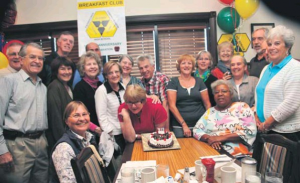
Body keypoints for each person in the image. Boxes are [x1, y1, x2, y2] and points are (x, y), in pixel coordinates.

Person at [0, 42, 48, 182]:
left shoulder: (43, 87)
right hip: (17, 146)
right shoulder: (8, 82)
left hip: (41, 145)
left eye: (40, 58)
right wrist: (2, 151)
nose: (37, 61)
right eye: (32, 57)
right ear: (21, 59)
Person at [255, 25, 300, 141]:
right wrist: (256, 115)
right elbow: (261, 95)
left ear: (288, 46)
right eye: (269, 44)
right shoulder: (266, 69)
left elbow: (291, 103)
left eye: (277, 43)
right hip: (264, 130)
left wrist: (267, 124)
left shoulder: (295, 68)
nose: (272, 47)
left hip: (285, 133)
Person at [193, 80, 257, 155]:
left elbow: (250, 131)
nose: (220, 94)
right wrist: (209, 139)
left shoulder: (242, 107)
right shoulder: (210, 111)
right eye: (216, 92)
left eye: (224, 91)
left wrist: (220, 138)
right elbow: (196, 130)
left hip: (235, 153)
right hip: (209, 149)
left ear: (231, 94)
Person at [50, 101, 97, 183]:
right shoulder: (63, 148)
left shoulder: (90, 138)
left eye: (84, 114)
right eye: (76, 115)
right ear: (66, 121)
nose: (82, 119)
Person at [167, 54, 211, 138]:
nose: (186, 65)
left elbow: (207, 104)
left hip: (200, 124)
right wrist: (184, 125)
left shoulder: (199, 81)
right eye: (183, 63)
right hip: (179, 126)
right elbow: (171, 106)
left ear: (193, 66)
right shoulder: (173, 82)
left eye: (189, 63)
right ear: (179, 66)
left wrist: (207, 122)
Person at [95, 61, 126, 152]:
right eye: (110, 73)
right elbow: (102, 117)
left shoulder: (123, 87)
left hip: (125, 131)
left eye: (116, 72)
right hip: (113, 135)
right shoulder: (101, 91)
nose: (114, 75)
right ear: (106, 76)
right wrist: (110, 133)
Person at [46, 57, 75, 151]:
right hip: (61, 140)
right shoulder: (54, 87)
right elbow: (55, 118)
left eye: (69, 68)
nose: (66, 72)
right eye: (62, 69)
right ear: (56, 71)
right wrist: (63, 142)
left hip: (69, 137)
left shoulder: (68, 86)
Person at [73, 51, 103, 135]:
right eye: (89, 64)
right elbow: (78, 114)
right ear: (83, 68)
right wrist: (95, 128)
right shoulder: (79, 87)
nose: (92, 66)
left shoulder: (101, 85)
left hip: (104, 129)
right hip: (88, 131)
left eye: (94, 64)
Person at [137, 55, 170, 129]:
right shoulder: (140, 81)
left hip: (161, 120)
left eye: (146, 67)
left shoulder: (162, 79)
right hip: (148, 121)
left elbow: (166, 104)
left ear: (153, 66)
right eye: (141, 68)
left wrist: (166, 129)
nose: (144, 70)